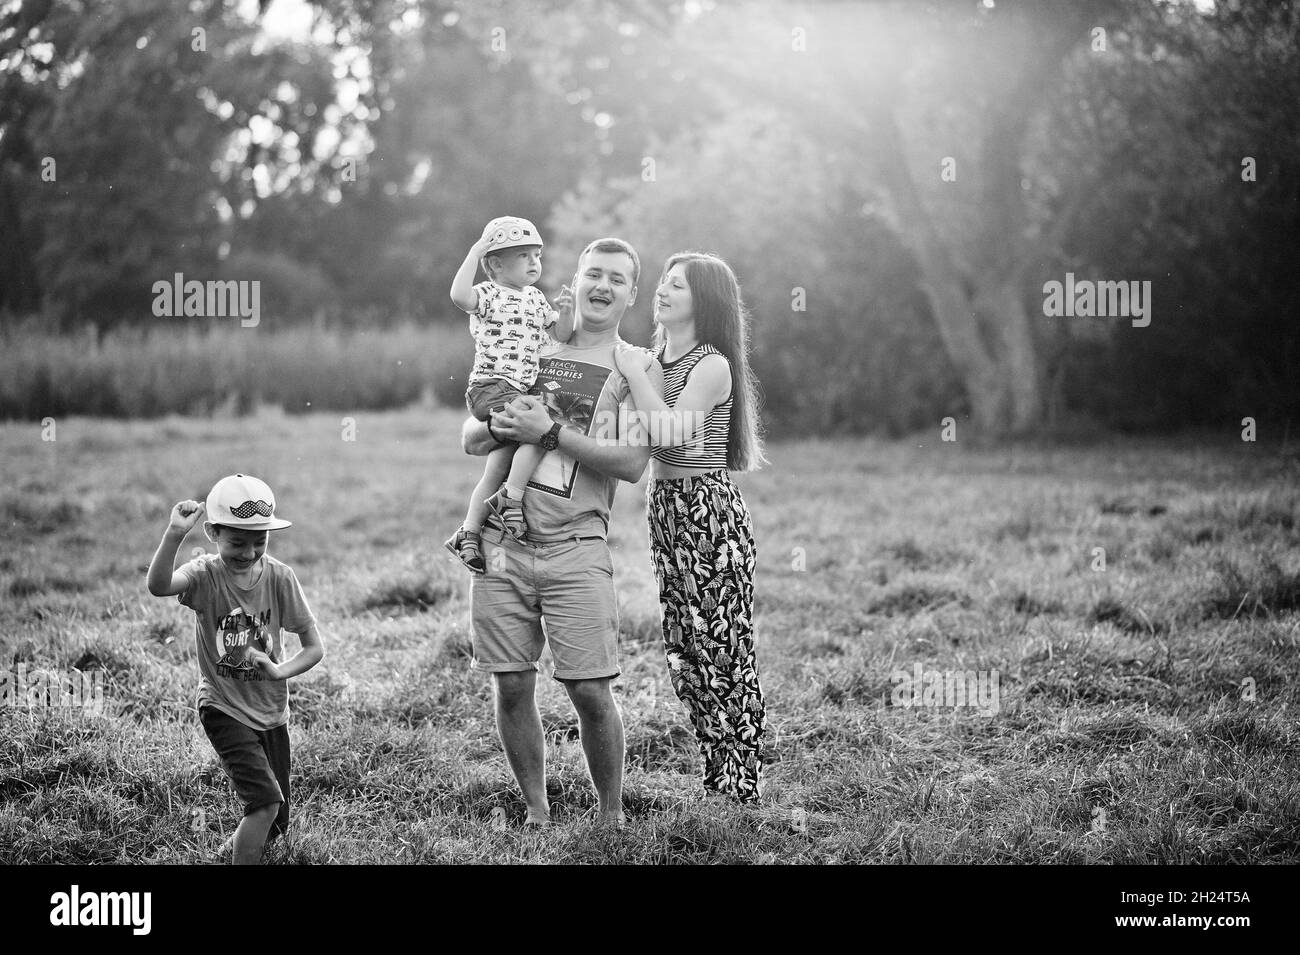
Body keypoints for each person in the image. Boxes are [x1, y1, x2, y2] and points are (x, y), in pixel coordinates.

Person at [460, 237, 662, 826]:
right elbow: (471, 440)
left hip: (577, 548)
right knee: (512, 684)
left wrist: (550, 431)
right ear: (573, 283)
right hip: (503, 547)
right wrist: (508, 423)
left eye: (617, 280)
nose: (602, 286)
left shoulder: (636, 365)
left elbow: (631, 464)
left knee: (592, 691)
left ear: (630, 295)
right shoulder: (531, 343)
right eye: (593, 274)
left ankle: (610, 814)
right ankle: (537, 810)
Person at [612, 251, 768, 804]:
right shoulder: (655, 359)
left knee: (724, 649)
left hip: (707, 515)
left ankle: (740, 784)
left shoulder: (711, 364)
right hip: (668, 510)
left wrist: (634, 372)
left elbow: (673, 434)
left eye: (677, 285)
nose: (663, 291)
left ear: (705, 299)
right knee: (685, 650)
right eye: (663, 282)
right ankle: (715, 774)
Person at [146, 473, 324, 863]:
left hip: (272, 710)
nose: (248, 552)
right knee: (263, 804)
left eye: (259, 541)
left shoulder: (280, 577)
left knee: (276, 820)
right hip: (223, 706)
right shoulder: (205, 575)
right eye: (237, 542)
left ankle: (229, 852)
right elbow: (159, 586)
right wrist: (174, 535)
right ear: (212, 533)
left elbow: (314, 648)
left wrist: (281, 672)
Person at [445, 216, 575, 572]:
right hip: (491, 387)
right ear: (496, 264)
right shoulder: (488, 295)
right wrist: (474, 252)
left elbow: (561, 335)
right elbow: (458, 295)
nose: (535, 263)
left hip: (519, 390)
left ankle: (468, 531)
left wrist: (566, 313)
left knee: (498, 464)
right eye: (524, 256)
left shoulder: (535, 297)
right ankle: (511, 500)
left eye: (537, 255)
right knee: (541, 428)